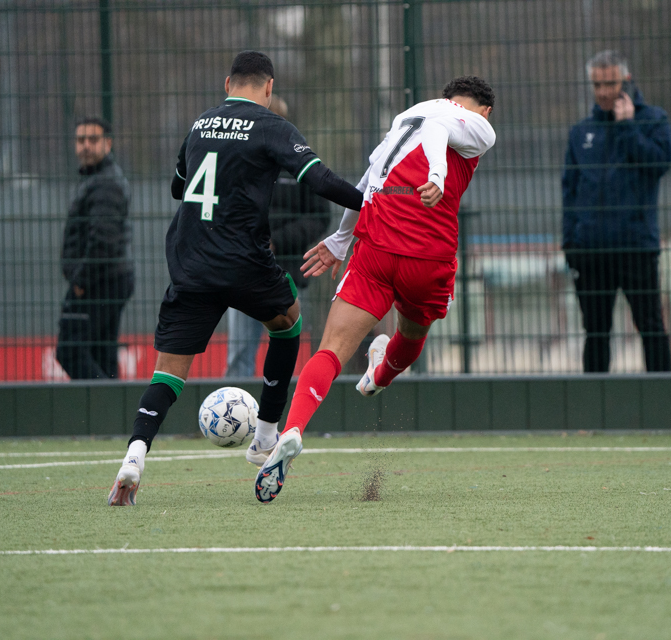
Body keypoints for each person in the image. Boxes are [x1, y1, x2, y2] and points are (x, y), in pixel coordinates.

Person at [108, 50, 363, 506]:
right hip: (245, 260)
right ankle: (266, 434)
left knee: (167, 373)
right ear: (269, 88)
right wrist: (372, 204)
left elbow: (178, 185)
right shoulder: (272, 126)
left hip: (190, 262)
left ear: (228, 84)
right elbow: (319, 180)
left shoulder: (201, 124)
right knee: (289, 321)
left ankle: (134, 457)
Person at [253, 76, 496, 504]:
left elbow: (369, 182)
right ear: (482, 111)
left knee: (330, 350)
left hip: (378, 239)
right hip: (428, 250)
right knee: (413, 335)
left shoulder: (408, 118)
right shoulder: (475, 124)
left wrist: (340, 240)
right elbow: (443, 128)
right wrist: (438, 173)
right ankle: (378, 379)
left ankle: (291, 430)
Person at [561, 50, 671, 373]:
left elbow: (659, 164)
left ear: (625, 80)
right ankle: (595, 411)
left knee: (650, 326)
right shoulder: (581, 133)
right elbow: (569, 191)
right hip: (590, 251)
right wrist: (571, 243)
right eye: (597, 85)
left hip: (636, 247)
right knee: (595, 333)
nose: (603, 92)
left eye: (609, 83)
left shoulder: (653, 120)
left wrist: (627, 127)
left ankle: (663, 405)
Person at [224, 96, 331, 378]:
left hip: (285, 272)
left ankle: (286, 414)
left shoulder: (300, 164)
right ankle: (238, 415)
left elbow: (320, 216)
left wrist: (277, 241)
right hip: (244, 269)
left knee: (284, 348)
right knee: (239, 354)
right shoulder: (239, 163)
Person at [56, 117, 134, 380]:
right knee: (102, 353)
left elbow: (104, 241)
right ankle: (110, 413)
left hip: (99, 282)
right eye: (80, 140)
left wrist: (80, 281)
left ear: (108, 143)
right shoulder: (97, 178)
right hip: (108, 279)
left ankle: (104, 407)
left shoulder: (104, 183)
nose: (85, 146)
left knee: (70, 351)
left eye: (93, 140)